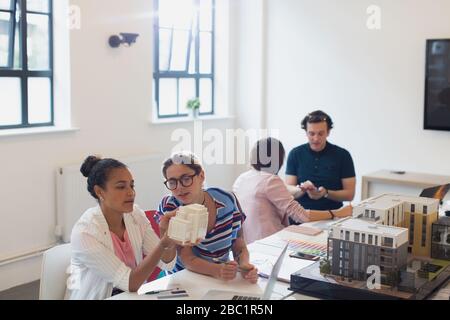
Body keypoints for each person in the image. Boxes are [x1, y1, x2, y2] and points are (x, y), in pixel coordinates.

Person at [66, 156, 184, 300]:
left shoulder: (135, 215)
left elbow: (167, 263)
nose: (131, 193)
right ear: (99, 192)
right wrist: (162, 244)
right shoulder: (85, 232)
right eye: (121, 187)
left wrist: (166, 233)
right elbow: (130, 283)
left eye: (131, 186)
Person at [155, 151, 258, 284]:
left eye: (186, 179)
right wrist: (217, 270)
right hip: (184, 279)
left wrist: (244, 264)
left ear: (201, 176)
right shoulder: (170, 207)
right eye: (172, 182)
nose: (179, 188)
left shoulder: (227, 200)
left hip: (221, 276)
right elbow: (187, 258)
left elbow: (238, 241)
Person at [233, 137, 353, 244]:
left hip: (247, 244)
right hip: (271, 242)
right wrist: (337, 213)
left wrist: (300, 189)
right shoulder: (271, 180)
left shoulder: (241, 179)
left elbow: (275, 193)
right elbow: (302, 216)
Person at [285, 110, 356, 216]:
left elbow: (349, 194)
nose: (316, 138)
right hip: (300, 215)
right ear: (306, 132)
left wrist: (326, 193)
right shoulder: (295, 154)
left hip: (332, 215)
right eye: (311, 133)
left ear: (328, 132)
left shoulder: (343, 155)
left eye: (321, 133)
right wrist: (302, 189)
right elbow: (289, 191)